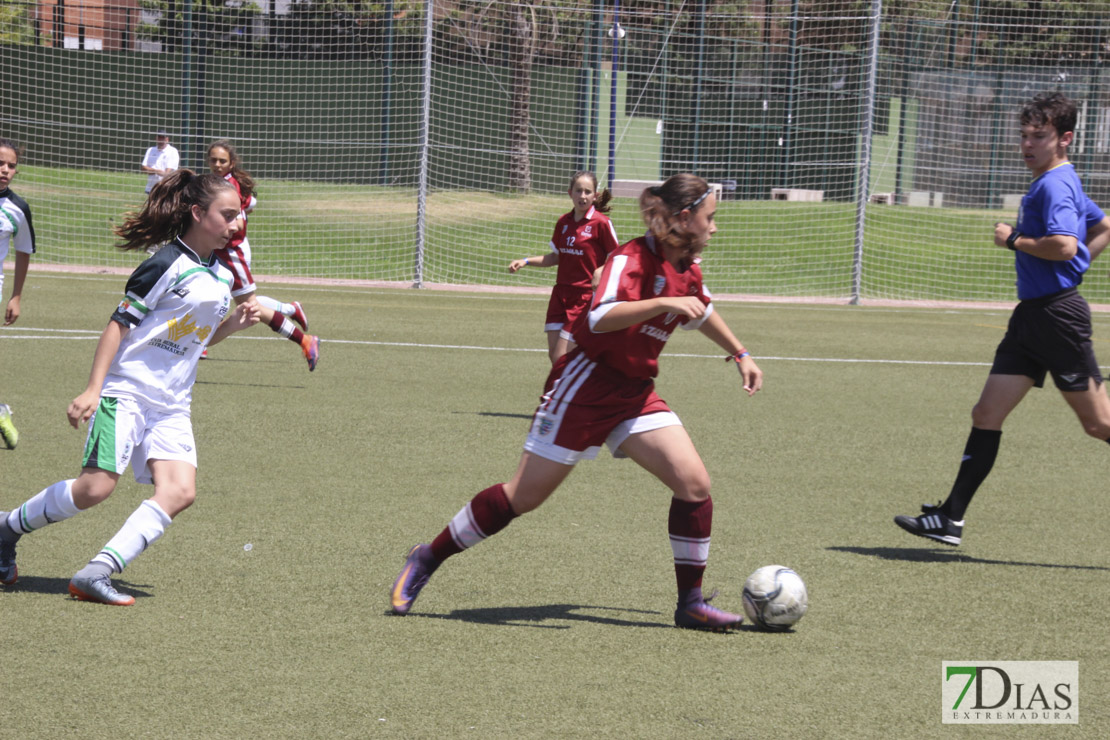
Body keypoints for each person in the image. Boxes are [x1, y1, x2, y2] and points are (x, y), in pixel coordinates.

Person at [391, 173, 764, 632]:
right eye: (711, 218)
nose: (714, 227)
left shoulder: (686, 266)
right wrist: (663, 303)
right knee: (522, 497)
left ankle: (690, 603)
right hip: (583, 388)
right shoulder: (631, 258)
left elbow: (701, 309)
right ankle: (427, 556)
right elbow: (601, 316)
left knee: (694, 484)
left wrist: (740, 353)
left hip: (634, 394)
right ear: (685, 218)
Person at [0, 170, 261, 601]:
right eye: (228, 215)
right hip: (127, 392)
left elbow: (195, 337)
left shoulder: (222, 275)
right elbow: (118, 327)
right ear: (198, 213)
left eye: (239, 216)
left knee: (179, 491)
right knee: (94, 489)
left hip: (173, 403)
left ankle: (96, 571)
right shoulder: (165, 263)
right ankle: (7, 528)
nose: (237, 224)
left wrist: (232, 324)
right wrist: (92, 389)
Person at [895, 91, 1110, 547]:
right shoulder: (1056, 180)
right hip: (1032, 317)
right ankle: (950, 518)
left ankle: (951, 516)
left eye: (1040, 136)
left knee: (1098, 424)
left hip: (1056, 317)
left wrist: (1014, 240)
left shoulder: (1054, 184)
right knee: (987, 412)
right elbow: (1103, 226)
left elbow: (1065, 245)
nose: (1028, 144)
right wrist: (1074, 266)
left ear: (1065, 139)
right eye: (1024, 135)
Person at [206, 140, 318, 370]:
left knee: (251, 308)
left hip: (229, 255)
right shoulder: (222, 184)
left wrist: (228, 221)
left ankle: (303, 338)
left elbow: (237, 222)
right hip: (216, 253)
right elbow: (250, 203)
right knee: (213, 298)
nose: (217, 164)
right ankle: (193, 343)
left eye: (222, 161)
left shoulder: (228, 187)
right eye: (213, 160)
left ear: (232, 162)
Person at [509, 171, 619, 363]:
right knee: (555, 356)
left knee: (562, 357)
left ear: (595, 195)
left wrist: (601, 271)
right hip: (560, 295)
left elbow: (617, 257)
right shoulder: (563, 222)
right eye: (578, 191)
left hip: (584, 297)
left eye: (587, 192)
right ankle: (575, 388)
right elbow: (555, 257)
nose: (582, 196)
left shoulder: (601, 223)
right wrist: (525, 261)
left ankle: (573, 390)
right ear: (570, 193)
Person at [0, 137, 36, 449]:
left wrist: (16, 296)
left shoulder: (17, 209)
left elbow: (24, 251)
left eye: (11, 166)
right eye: (0, 163)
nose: (5, 170)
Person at [140, 130, 180, 195]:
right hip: (151, 188)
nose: (161, 140)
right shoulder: (150, 150)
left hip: (166, 189)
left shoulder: (172, 151)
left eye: (163, 138)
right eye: (159, 137)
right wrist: (156, 171)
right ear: (156, 138)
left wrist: (151, 170)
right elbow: (143, 168)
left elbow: (167, 173)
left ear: (167, 139)